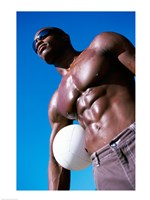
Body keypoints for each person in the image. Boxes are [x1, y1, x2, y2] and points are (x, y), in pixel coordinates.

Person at [32, 27, 135, 190]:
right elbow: (57, 160)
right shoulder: (56, 101)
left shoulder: (103, 44)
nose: (38, 41)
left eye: (43, 35)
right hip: (104, 166)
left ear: (64, 37)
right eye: (34, 43)